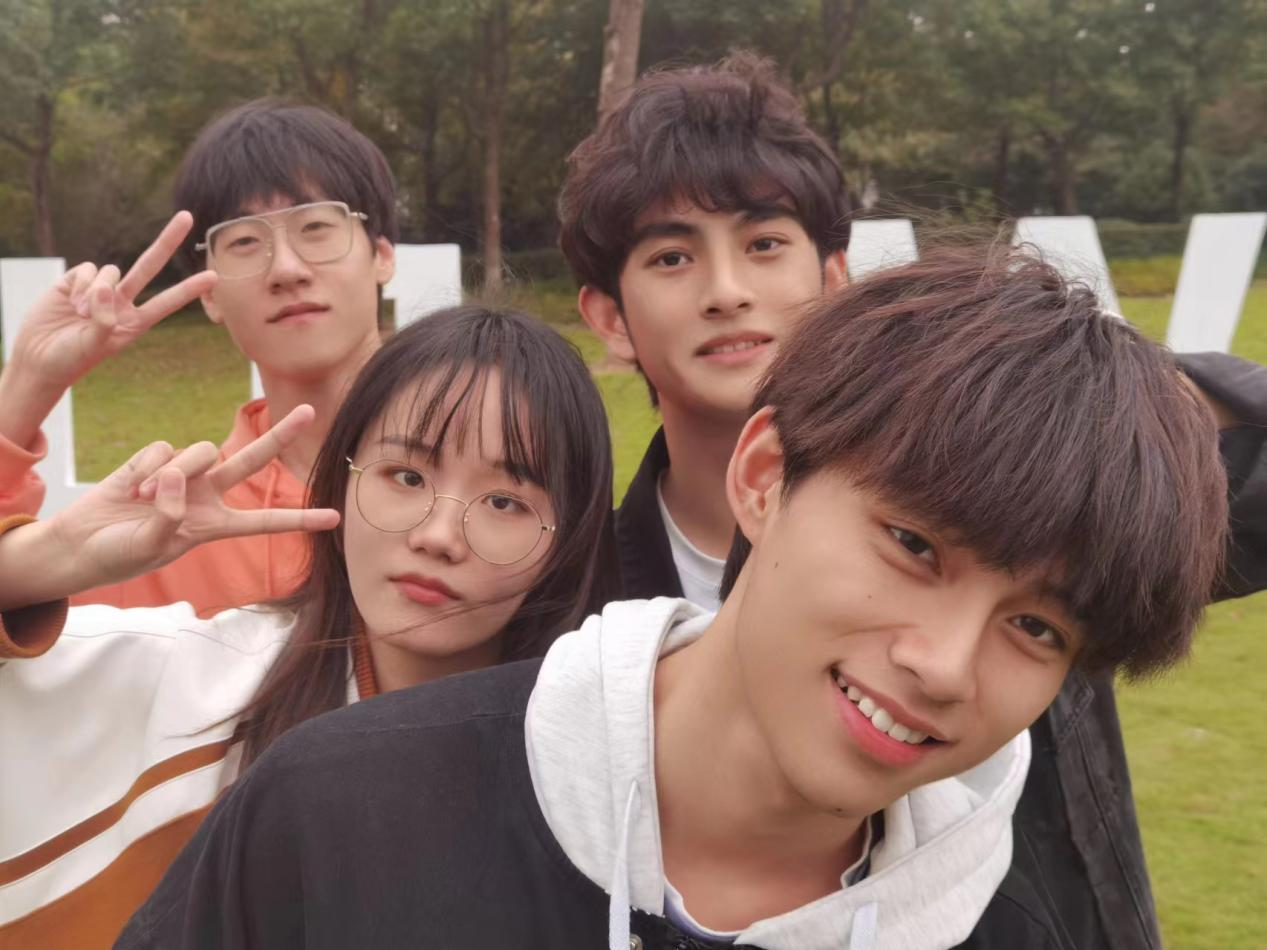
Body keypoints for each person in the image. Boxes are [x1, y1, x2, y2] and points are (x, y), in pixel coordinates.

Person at [117, 248, 1228, 949]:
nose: (942, 664)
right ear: (764, 478)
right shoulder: (334, 810)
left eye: (1034, 626)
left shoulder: (1006, 930)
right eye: (912, 545)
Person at [561, 54, 1267, 948]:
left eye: (765, 244)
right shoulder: (566, 588)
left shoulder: (1036, 490)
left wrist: (1116, 402)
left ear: (834, 275)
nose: (727, 291)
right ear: (608, 317)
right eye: (672, 257)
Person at [0, 306, 615, 947]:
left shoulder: (609, 767)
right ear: (339, 486)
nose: (437, 535)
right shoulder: (188, 690)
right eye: (405, 476)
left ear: (569, 542)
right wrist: (45, 559)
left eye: (504, 502)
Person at [0, 99, 398, 615]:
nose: (287, 269)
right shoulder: (168, 526)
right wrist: (29, 382)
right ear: (208, 293)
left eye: (316, 227)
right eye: (245, 240)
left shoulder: (477, 472)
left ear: (382, 255)